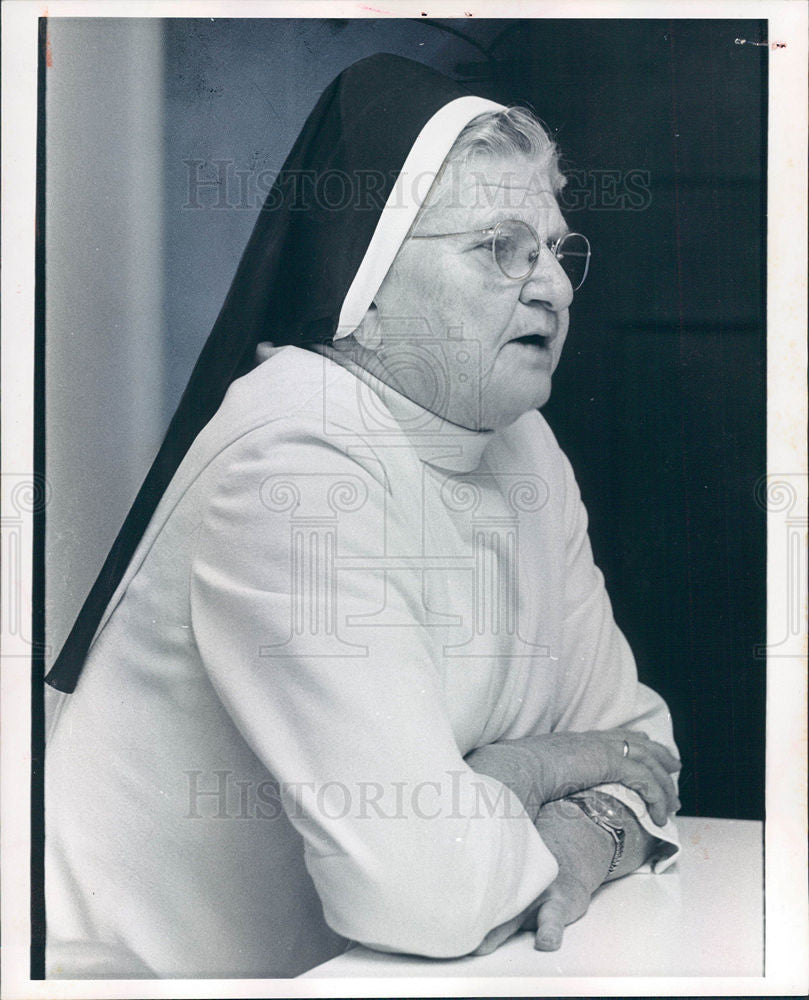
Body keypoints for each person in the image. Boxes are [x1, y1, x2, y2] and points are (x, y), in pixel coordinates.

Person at [44, 54, 680, 979]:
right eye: (501, 247)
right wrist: (545, 770)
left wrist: (579, 824)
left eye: (553, 248)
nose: (554, 286)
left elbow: (642, 748)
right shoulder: (296, 454)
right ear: (367, 278)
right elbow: (422, 893)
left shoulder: (522, 445)